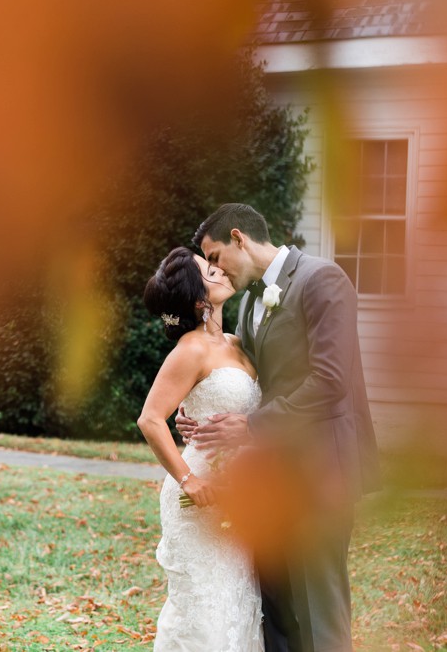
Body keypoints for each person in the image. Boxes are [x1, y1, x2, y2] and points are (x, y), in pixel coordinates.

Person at [177, 203, 381, 652]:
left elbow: (331, 380)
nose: (214, 271)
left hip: (321, 473)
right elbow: (246, 378)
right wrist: (194, 403)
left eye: (213, 258)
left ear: (238, 238)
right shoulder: (250, 299)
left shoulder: (323, 280)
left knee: (318, 611)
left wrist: (251, 425)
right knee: (276, 608)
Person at [138, 246, 265, 651]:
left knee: (237, 605)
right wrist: (188, 480)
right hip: (201, 498)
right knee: (206, 613)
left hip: (239, 497)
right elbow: (150, 418)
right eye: (209, 271)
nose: (220, 270)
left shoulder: (235, 342)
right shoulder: (191, 348)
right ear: (197, 299)